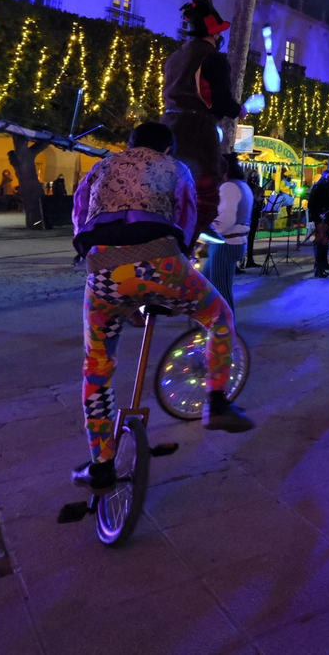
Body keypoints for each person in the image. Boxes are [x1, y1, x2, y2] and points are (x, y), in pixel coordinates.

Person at [67, 122, 253, 490]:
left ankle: (100, 464)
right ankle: (216, 400)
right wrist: (178, 258)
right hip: (159, 261)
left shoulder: (101, 165)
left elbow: (78, 213)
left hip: (103, 270)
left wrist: (88, 253)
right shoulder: (175, 168)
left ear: (129, 143)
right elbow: (184, 217)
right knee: (218, 316)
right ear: (167, 148)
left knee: (97, 365)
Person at [162, 0, 247, 238]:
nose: (220, 38)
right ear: (213, 34)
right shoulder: (213, 57)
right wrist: (238, 110)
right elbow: (221, 100)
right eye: (219, 33)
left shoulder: (175, 56)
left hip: (168, 124)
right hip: (197, 126)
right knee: (210, 174)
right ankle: (200, 224)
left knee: (174, 176)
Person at [205, 154, 254, 305]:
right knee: (207, 283)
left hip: (226, 243)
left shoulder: (229, 187)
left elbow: (226, 220)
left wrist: (208, 229)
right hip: (233, 241)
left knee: (220, 291)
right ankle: (213, 322)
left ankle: (225, 326)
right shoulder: (241, 185)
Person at [306, 168, 329, 277]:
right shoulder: (318, 187)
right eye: (328, 177)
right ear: (323, 177)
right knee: (320, 242)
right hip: (321, 218)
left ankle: (324, 262)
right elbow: (312, 204)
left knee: (326, 241)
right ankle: (318, 267)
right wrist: (318, 214)